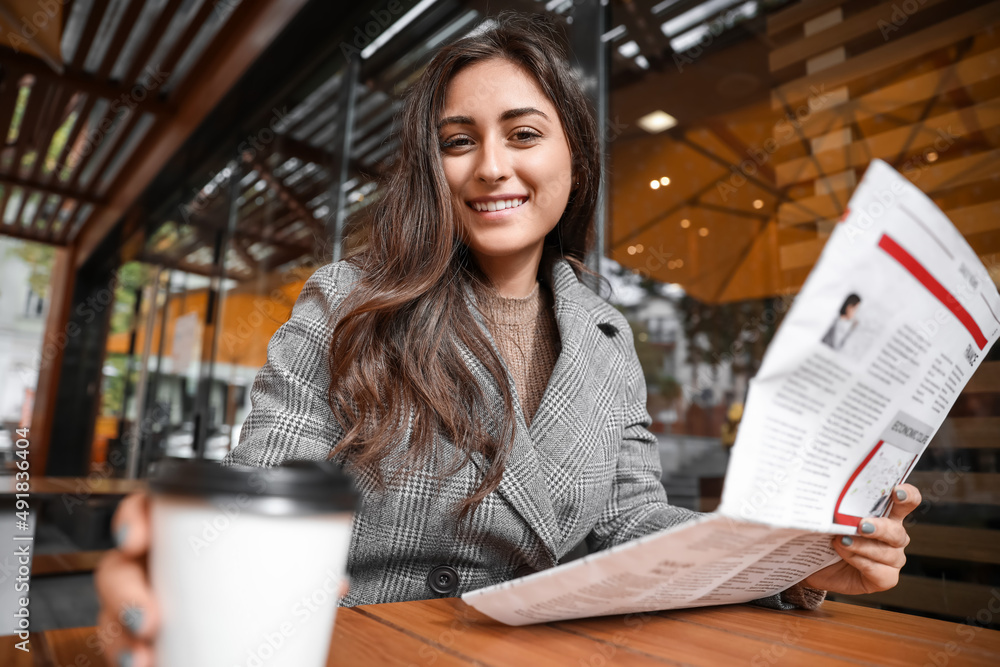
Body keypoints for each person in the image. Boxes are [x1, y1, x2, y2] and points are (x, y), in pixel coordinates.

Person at [95, 15, 918, 667]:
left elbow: (629, 523)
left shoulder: (607, 336)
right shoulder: (347, 300)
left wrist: (793, 557)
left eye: (523, 134)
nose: (491, 165)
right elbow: (262, 483)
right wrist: (190, 561)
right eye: (459, 141)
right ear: (434, 166)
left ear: (573, 156)